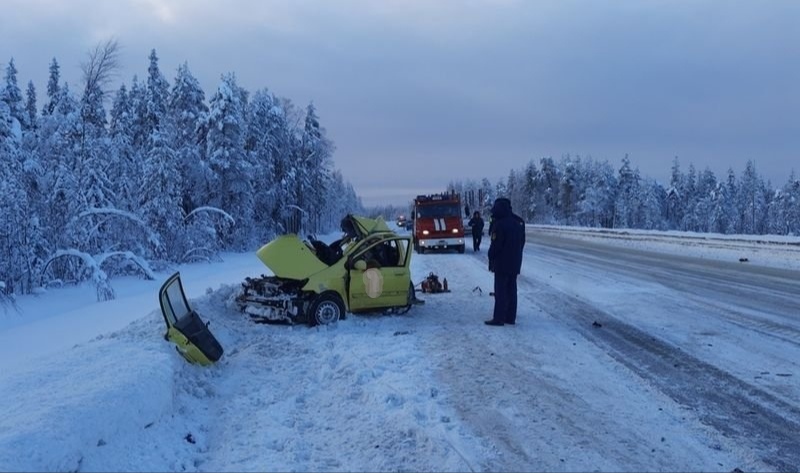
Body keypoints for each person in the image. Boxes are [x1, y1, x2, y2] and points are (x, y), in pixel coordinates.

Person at [485, 197, 525, 326]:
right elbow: (522, 242)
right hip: (515, 261)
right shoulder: (518, 222)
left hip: (501, 263)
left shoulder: (499, 224)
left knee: (500, 291)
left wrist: (490, 255)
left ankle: (499, 318)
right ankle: (510, 317)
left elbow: (496, 245)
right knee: (512, 290)